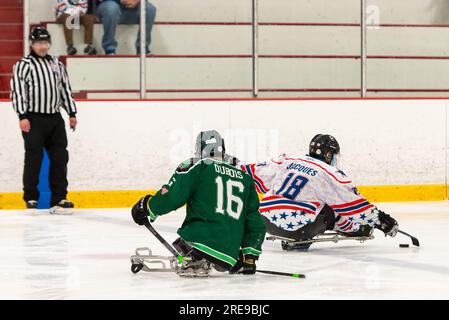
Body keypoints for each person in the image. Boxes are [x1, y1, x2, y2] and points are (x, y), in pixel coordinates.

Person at [131, 130, 266, 277]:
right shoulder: (245, 176)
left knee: (183, 242)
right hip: (229, 254)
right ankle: (216, 257)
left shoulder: (197, 164)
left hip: (200, 241)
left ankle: (197, 257)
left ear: (199, 148)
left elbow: (173, 196)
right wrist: (249, 257)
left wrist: (148, 207)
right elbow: (254, 220)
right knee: (221, 251)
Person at [241, 134, 399, 250]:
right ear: (328, 154)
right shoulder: (329, 174)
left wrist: (232, 163)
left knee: (323, 201)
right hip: (297, 229)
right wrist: (382, 221)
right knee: (334, 205)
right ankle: (354, 229)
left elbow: (254, 173)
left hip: (266, 221)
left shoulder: (288, 159)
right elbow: (355, 206)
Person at [10, 27, 78, 215]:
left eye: (45, 42)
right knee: (34, 157)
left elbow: (65, 90)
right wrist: (22, 116)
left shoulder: (56, 64)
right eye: (39, 42)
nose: (43, 46)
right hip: (33, 118)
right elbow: (18, 92)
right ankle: (31, 197)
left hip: (55, 118)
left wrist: (71, 113)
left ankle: (59, 199)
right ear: (32, 44)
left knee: (60, 157)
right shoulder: (24, 65)